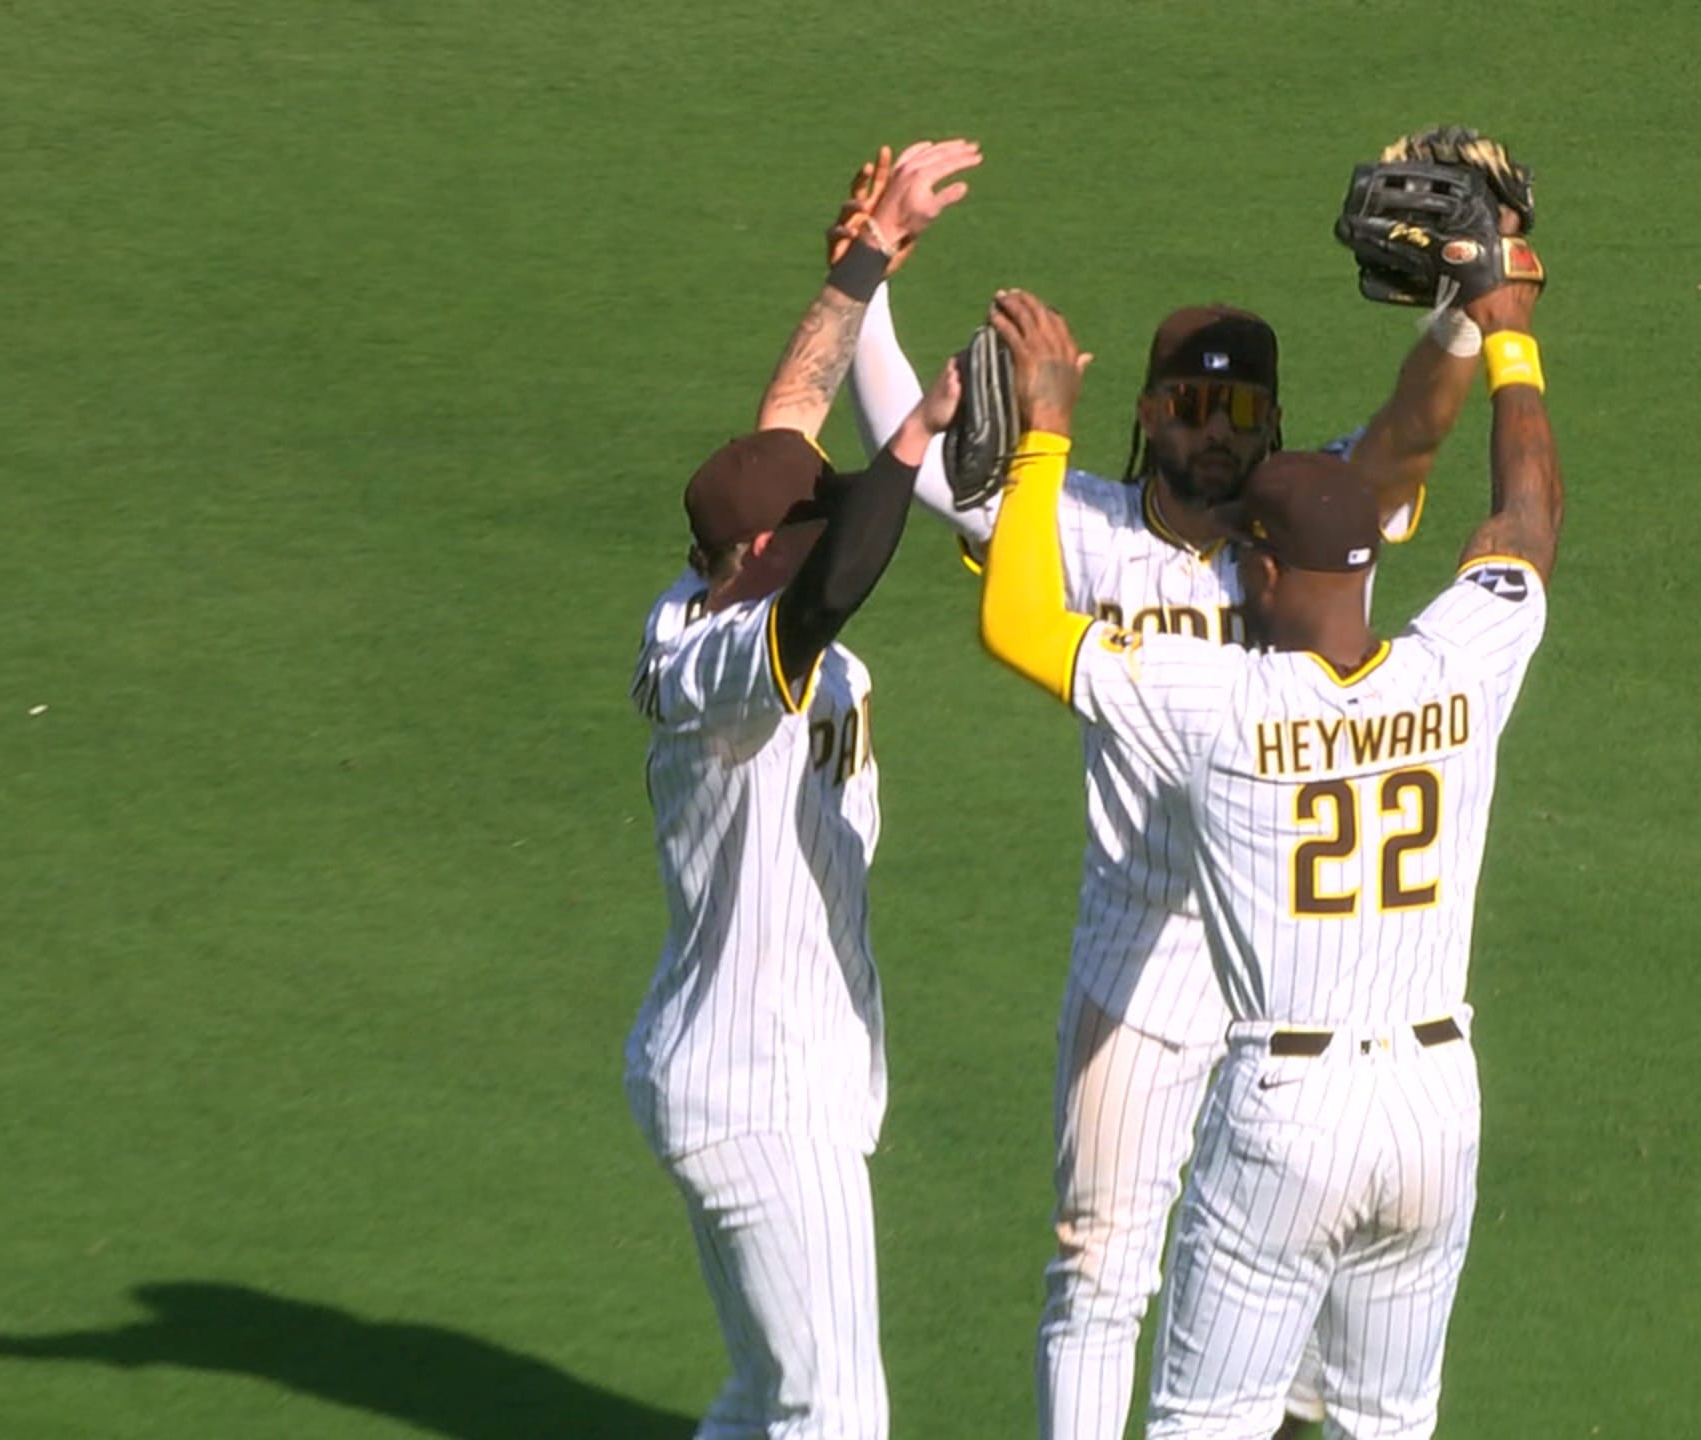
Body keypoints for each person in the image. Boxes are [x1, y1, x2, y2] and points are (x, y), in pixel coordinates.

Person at [835, 172, 1496, 1440]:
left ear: (1273, 421)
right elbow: (915, 454)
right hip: (1142, 955)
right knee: (1098, 1265)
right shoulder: (1077, 524)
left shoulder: (1313, 522)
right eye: (1192, 405)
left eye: (1241, 409)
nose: (1217, 432)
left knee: (1310, 1306)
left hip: (1301, 969)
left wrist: (1468, 315)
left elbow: (1412, 434)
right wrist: (866, 282)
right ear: (1145, 411)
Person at [973, 273, 1560, 1439]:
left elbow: (1018, 623)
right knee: (1381, 1420)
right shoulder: (1459, 664)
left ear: (1273, 574)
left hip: (1288, 1097)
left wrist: (1043, 433)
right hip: (1435, 1098)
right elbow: (1526, 521)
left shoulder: (1216, 703)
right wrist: (1510, 337)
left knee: (1205, 1419)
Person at [621, 138, 978, 1440]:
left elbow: (788, 413)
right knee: (836, 1414)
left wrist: (869, 254)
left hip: (736, 1066)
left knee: (767, 1395)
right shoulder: (723, 663)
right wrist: (916, 439)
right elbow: (834, 586)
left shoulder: (720, 570)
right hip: (765, 1092)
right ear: (764, 550)